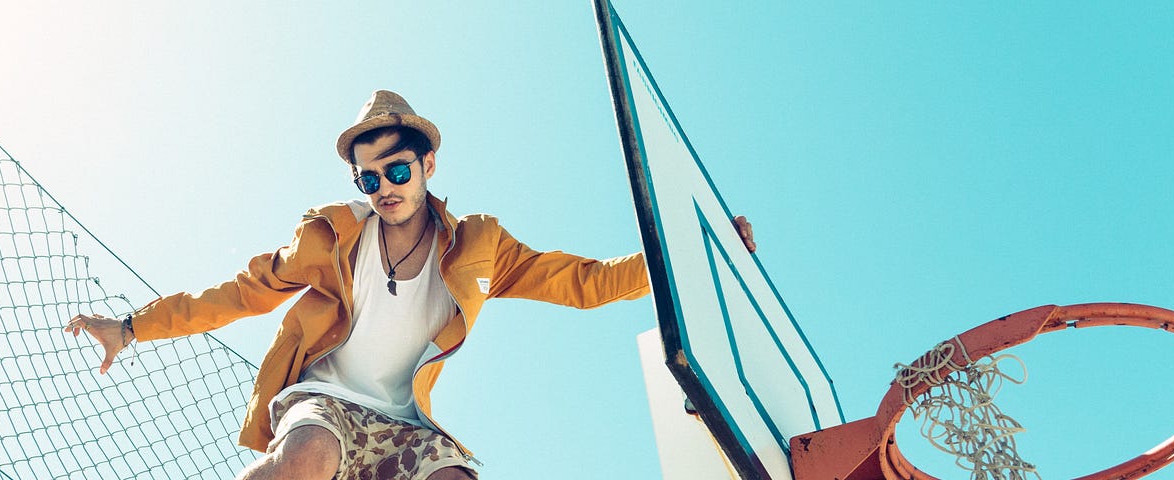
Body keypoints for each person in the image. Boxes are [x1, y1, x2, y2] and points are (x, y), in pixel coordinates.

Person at [63, 90, 756, 480]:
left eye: (397, 172)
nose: (385, 189)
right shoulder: (329, 239)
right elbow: (241, 293)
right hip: (322, 402)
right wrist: (131, 327)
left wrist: (685, 255)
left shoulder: (477, 246)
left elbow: (585, 282)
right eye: (369, 179)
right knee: (307, 455)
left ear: (427, 164)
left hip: (401, 423)